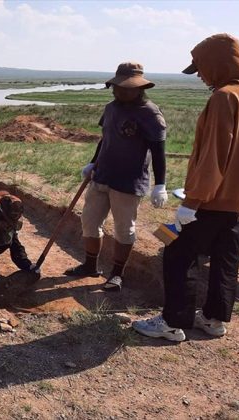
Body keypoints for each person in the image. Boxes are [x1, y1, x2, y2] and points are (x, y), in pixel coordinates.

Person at [133, 34, 239, 342]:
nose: (201, 75)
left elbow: (214, 155)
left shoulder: (224, 97)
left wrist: (193, 201)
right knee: (224, 261)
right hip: (234, 201)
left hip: (211, 201)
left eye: (201, 67)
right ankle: (214, 320)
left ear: (218, 62)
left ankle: (172, 323)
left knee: (178, 254)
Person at [64, 61, 168, 292]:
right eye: (117, 86)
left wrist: (160, 184)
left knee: (124, 229)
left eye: (125, 87)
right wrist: (93, 162)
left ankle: (117, 274)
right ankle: (90, 266)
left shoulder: (150, 113)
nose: (119, 91)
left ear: (139, 88)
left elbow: (158, 151)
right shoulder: (111, 108)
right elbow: (106, 138)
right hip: (102, 175)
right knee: (89, 222)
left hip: (128, 183)